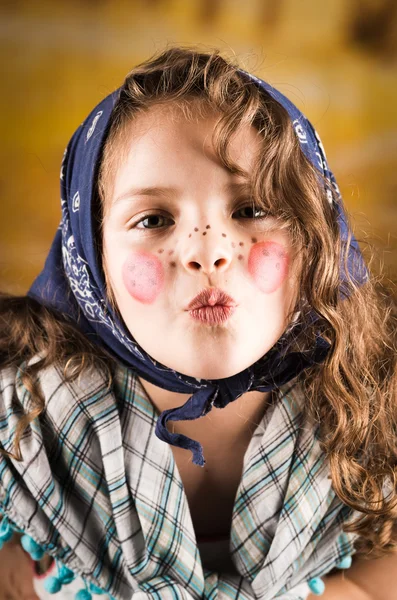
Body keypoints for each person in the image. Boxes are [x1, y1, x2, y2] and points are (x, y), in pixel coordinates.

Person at [0, 46, 396, 600]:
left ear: (313, 237)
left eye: (251, 209)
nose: (208, 251)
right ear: (91, 262)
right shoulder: (21, 436)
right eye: (154, 219)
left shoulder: (380, 406)